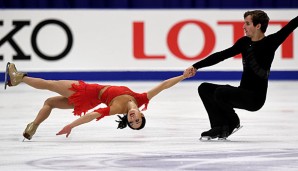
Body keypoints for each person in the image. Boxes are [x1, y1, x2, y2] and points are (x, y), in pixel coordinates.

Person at [184, 10, 298, 140]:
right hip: (242, 92)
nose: (243, 26)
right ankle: (218, 127)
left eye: (247, 23)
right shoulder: (244, 42)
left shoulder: (270, 42)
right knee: (204, 88)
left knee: (221, 92)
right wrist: (196, 66)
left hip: (255, 99)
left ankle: (233, 122)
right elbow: (221, 55)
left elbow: (292, 24)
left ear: (258, 26)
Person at [5, 62, 192, 140]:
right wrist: (182, 77)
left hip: (88, 92)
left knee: (50, 84)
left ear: (127, 119)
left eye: (132, 122)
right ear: (142, 114)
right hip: (90, 100)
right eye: (138, 120)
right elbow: (164, 85)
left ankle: (17, 78)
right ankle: (33, 126)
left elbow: (92, 116)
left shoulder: (118, 107)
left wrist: (71, 125)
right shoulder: (141, 99)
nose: (134, 119)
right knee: (50, 102)